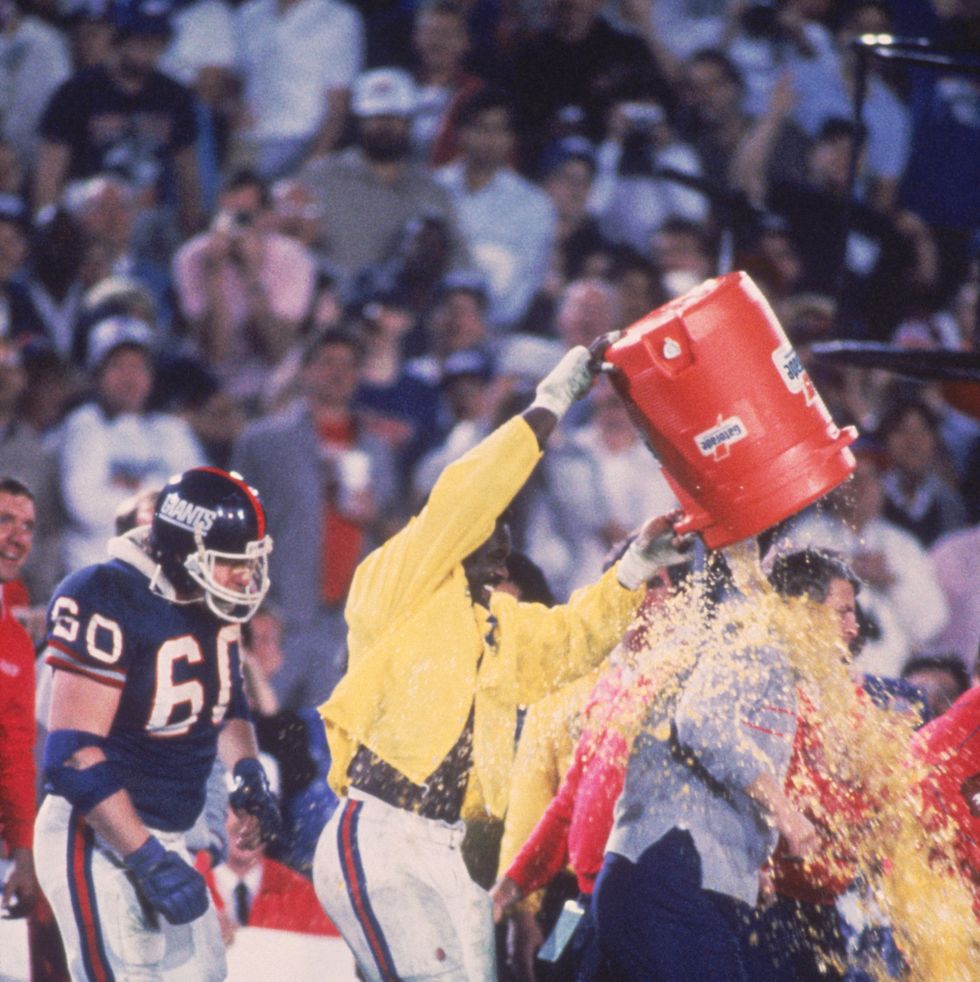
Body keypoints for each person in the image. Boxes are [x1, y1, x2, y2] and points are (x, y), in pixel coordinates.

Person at [311, 344, 689, 981]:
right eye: (488, 554)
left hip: (449, 849)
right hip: (379, 838)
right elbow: (467, 492)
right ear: (455, 541)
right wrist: (552, 403)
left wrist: (635, 568)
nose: (498, 569)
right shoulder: (399, 582)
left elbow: (570, 637)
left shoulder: (493, 623)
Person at [34, 466, 282, 981]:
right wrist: (144, 856)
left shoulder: (208, 597)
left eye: (249, 561)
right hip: (99, 837)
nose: (244, 576)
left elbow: (228, 700)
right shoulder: (106, 594)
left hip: (168, 836)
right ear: (183, 551)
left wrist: (247, 772)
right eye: (230, 562)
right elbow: (74, 753)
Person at [593, 541, 819, 982]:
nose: (851, 627)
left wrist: (749, 859)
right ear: (803, 607)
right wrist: (785, 814)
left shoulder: (740, 642)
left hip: (656, 876)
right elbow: (702, 720)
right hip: (671, 876)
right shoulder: (755, 640)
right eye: (841, 610)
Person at [231, 327, 399, 710]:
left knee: (327, 747)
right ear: (305, 370)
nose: (338, 373)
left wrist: (372, 516)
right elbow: (234, 530)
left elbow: (398, 533)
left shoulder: (377, 449)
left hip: (346, 624)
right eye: (327, 362)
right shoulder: (264, 441)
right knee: (260, 730)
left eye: (349, 365)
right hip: (278, 619)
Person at [55, 314, 205, 572]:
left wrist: (128, 486)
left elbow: (199, 506)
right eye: (117, 366)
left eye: (138, 366)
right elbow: (85, 507)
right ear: (96, 375)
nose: (129, 377)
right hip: (94, 577)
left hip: (160, 580)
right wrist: (162, 492)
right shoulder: (83, 424)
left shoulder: (172, 430)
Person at [435, 87, 557, 331]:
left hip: (497, 329)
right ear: (461, 133)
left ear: (512, 139)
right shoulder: (433, 188)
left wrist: (483, 327)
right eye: (481, 128)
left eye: (499, 130)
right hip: (433, 322)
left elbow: (527, 279)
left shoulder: (534, 204)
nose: (489, 139)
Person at [232, 0, 364, 180]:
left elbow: (339, 105)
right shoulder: (250, 13)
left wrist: (313, 164)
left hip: (301, 138)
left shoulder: (338, 18)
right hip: (248, 141)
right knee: (233, 204)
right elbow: (238, 80)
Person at [198, 803, 338, 943]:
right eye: (236, 807)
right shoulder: (184, 883)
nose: (247, 822)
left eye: (260, 809)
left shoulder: (305, 896)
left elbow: (334, 955)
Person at [0, 477, 40, 920]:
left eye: (27, 526)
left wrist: (24, 857)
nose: (17, 537)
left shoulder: (15, 644)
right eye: (4, 521)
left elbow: (14, 758)